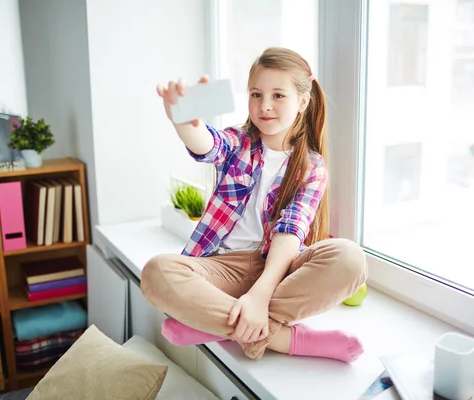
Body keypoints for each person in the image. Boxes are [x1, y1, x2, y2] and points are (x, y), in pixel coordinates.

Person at [141, 47, 367, 363]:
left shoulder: (311, 167)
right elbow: (207, 143)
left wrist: (261, 294)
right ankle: (288, 339)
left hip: (278, 269)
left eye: (278, 96)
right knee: (156, 272)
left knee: (351, 260)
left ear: (302, 102)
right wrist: (183, 122)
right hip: (221, 267)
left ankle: (218, 327)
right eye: (256, 94)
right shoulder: (239, 142)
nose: (265, 106)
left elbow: (290, 232)